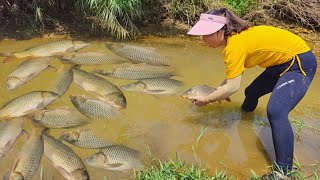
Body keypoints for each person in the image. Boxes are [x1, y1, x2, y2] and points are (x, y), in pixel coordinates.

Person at [187, 7, 317, 179]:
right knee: (252, 92)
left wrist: (206, 100)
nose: (203, 40)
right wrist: (220, 90)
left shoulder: (235, 45)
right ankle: (244, 121)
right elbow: (232, 79)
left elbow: (233, 87)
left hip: (299, 63)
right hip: (280, 64)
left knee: (276, 111)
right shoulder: (234, 40)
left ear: (220, 31)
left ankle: (284, 172)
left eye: (206, 35)